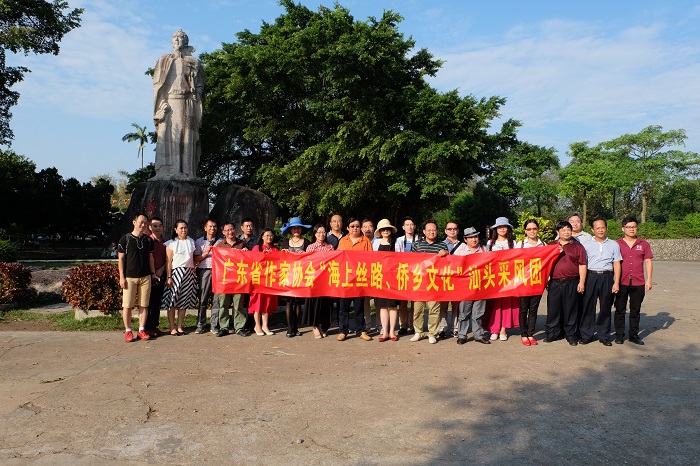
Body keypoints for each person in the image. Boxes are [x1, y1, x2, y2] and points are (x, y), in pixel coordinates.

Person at [152, 30, 205, 179]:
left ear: (186, 41)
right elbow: (158, 86)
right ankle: (167, 171)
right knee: (167, 136)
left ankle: (187, 172)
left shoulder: (194, 62)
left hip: (187, 101)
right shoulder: (164, 60)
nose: (176, 40)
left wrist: (196, 93)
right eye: (174, 37)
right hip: (170, 102)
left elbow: (201, 84)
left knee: (186, 136)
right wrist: (161, 104)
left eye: (180, 37)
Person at [580, 217, 622, 346]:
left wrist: (616, 282)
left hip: (607, 277)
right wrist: (582, 281)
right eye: (597, 228)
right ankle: (586, 335)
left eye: (602, 227)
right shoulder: (586, 245)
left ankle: (604, 335)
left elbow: (617, 264)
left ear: (606, 228)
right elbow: (582, 264)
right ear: (592, 229)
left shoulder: (614, 244)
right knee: (588, 307)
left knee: (605, 307)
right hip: (591, 276)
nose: (600, 230)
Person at [545, 221, 587, 345]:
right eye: (563, 230)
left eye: (568, 229)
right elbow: (545, 264)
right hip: (555, 283)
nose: (566, 232)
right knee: (553, 309)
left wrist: (582, 282)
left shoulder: (578, 246)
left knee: (571, 310)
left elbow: (582, 265)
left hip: (572, 282)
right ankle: (552, 333)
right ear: (558, 232)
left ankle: (571, 335)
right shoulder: (551, 245)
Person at [614, 216, 653, 345]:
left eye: (634, 227)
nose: (631, 229)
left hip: (638, 282)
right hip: (621, 282)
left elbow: (648, 262)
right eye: (629, 227)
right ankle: (619, 335)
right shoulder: (617, 244)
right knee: (620, 310)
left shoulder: (643, 244)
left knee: (635, 310)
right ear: (623, 228)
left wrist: (649, 280)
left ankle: (634, 335)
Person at [118, 213, 155, 342]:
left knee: (144, 305)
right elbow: (121, 259)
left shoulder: (148, 240)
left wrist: (153, 273)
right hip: (130, 277)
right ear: (134, 222)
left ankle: (141, 330)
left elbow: (151, 258)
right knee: (127, 305)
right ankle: (128, 331)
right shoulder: (125, 239)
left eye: (145, 222)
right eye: (141, 222)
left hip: (145, 277)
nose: (143, 225)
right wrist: (122, 277)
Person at [410, 221, 448, 344]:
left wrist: (446, 254)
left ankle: (432, 333)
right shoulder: (417, 245)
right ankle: (418, 332)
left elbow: (448, 262)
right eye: (429, 230)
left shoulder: (442, 245)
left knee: (434, 309)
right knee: (418, 309)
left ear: (437, 231)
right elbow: (410, 262)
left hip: (434, 282)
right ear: (424, 231)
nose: (432, 232)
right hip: (419, 282)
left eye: (434, 230)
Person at [336, 217, 373, 341]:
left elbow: (370, 259)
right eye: (352, 226)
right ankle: (343, 331)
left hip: (359, 279)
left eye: (357, 226)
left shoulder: (365, 241)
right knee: (343, 307)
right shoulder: (343, 241)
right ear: (347, 228)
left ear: (360, 227)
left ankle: (360, 331)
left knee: (359, 307)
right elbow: (337, 258)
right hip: (345, 279)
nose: (355, 228)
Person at [453, 227, 490, 345]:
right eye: (470, 237)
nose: (474, 240)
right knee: (464, 313)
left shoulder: (485, 249)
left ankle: (478, 335)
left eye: (475, 237)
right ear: (465, 239)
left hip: (481, 286)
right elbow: (453, 266)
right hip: (466, 288)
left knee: (478, 313)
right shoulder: (460, 251)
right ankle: (462, 335)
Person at [485, 217, 520, 341]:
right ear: (496, 229)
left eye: (504, 226)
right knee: (495, 304)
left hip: (509, 278)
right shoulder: (490, 244)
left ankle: (503, 330)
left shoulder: (514, 243)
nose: (502, 229)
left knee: (506, 304)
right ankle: (494, 329)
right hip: (494, 278)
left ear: (508, 228)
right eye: (499, 227)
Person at [163, 219, 197, 336]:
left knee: (184, 301)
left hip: (189, 273)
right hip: (176, 273)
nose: (184, 230)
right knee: (172, 301)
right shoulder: (171, 243)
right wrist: (169, 276)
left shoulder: (191, 241)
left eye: (185, 228)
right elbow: (168, 261)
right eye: (181, 228)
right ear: (176, 230)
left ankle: (180, 326)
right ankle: (172, 327)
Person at [515, 219, 546, 346]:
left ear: (538, 230)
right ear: (525, 231)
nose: (532, 231)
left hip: (538, 281)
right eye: (529, 229)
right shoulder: (520, 244)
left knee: (533, 309)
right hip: (523, 282)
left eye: (534, 228)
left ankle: (530, 333)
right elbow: (513, 262)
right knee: (523, 309)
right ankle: (523, 334)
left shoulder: (543, 245)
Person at [214, 222, 248, 337]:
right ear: (223, 232)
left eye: (232, 229)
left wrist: (245, 253)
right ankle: (224, 327)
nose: (230, 232)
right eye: (227, 230)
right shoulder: (219, 246)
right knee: (223, 304)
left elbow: (247, 260)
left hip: (238, 279)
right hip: (224, 279)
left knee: (238, 304)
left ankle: (239, 327)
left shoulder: (241, 244)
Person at [279, 217, 311, 338]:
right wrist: (283, 253)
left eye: (298, 228)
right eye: (294, 228)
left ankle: (296, 327)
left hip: (301, 275)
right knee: (289, 302)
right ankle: (289, 328)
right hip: (288, 275)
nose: (296, 230)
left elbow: (311, 259)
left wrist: (306, 255)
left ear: (301, 229)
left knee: (298, 302)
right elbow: (281, 259)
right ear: (290, 229)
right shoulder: (285, 242)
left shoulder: (307, 242)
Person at [372, 219, 400, 342]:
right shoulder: (375, 243)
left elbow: (402, 258)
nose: (386, 231)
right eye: (383, 229)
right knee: (382, 306)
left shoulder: (397, 242)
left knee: (393, 306)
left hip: (394, 277)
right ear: (380, 231)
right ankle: (384, 332)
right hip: (380, 277)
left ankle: (392, 331)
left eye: (387, 229)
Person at [305, 224, 334, 338]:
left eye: (323, 232)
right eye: (319, 232)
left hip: (326, 280)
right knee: (315, 304)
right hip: (314, 280)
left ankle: (322, 325)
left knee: (324, 304)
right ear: (315, 234)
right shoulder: (311, 247)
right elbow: (306, 263)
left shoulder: (330, 247)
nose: (321, 234)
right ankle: (315, 326)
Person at [249, 228, 278, 336]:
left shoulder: (275, 250)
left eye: (271, 235)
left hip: (269, 280)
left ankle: (265, 325)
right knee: (258, 302)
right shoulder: (257, 248)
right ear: (262, 237)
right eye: (266, 235)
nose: (269, 237)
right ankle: (257, 325)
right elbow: (252, 261)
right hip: (258, 280)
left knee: (267, 303)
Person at [193, 219, 219, 334]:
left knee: (216, 299)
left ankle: (214, 324)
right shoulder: (199, 242)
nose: (212, 228)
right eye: (210, 226)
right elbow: (195, 259)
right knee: (203, 299)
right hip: (204, 271)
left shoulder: (221, 242)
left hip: (218, 272)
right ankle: (200, 324)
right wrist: (206, 253)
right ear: (205, 228)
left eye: (214, 226)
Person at [395, 216, 418, 335]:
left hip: (416, 274)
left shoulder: (420, 240)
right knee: (403, 303)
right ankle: (403, 325)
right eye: (407, 225)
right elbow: (398, 256)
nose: (409, 227)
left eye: (411, 224)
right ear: (403, 227)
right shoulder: (399, 240)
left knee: (415, 302)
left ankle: (414, 325)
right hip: (403, 273)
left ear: (414, 226)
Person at [145, 217, 167, 337]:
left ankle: (154, 326)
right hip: (149, 275)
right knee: (148, 302)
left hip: (162, 274)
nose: (157, 228)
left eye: (160, 226)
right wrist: (153, 272)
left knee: (157, 302)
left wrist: (162, 270)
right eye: (155, 226)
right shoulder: (147, 241)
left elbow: (169, 258)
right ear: (150, 227)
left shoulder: (166, 242)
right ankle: (146, 327)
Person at [439, 221, 461, 339]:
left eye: (454, 229)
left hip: (457, 279)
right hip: (444, 279)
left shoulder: (463, 245)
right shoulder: (440, 245)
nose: (452, 231)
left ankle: (455, 328)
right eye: (450, 229)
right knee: (443, 305)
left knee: (456, 306)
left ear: (457, 230)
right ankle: (442, 328)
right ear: (445, 231)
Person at [361, 218, 379, 332]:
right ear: (362, 229)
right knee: (365, 302)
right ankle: (367, 324)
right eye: (365, 227)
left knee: (378, 301)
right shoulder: (359, 241)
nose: (368, 229)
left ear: (374, 228)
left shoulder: (379, 241)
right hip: (363, 274)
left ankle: (379, 324)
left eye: (370, 226)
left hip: (377, 274)